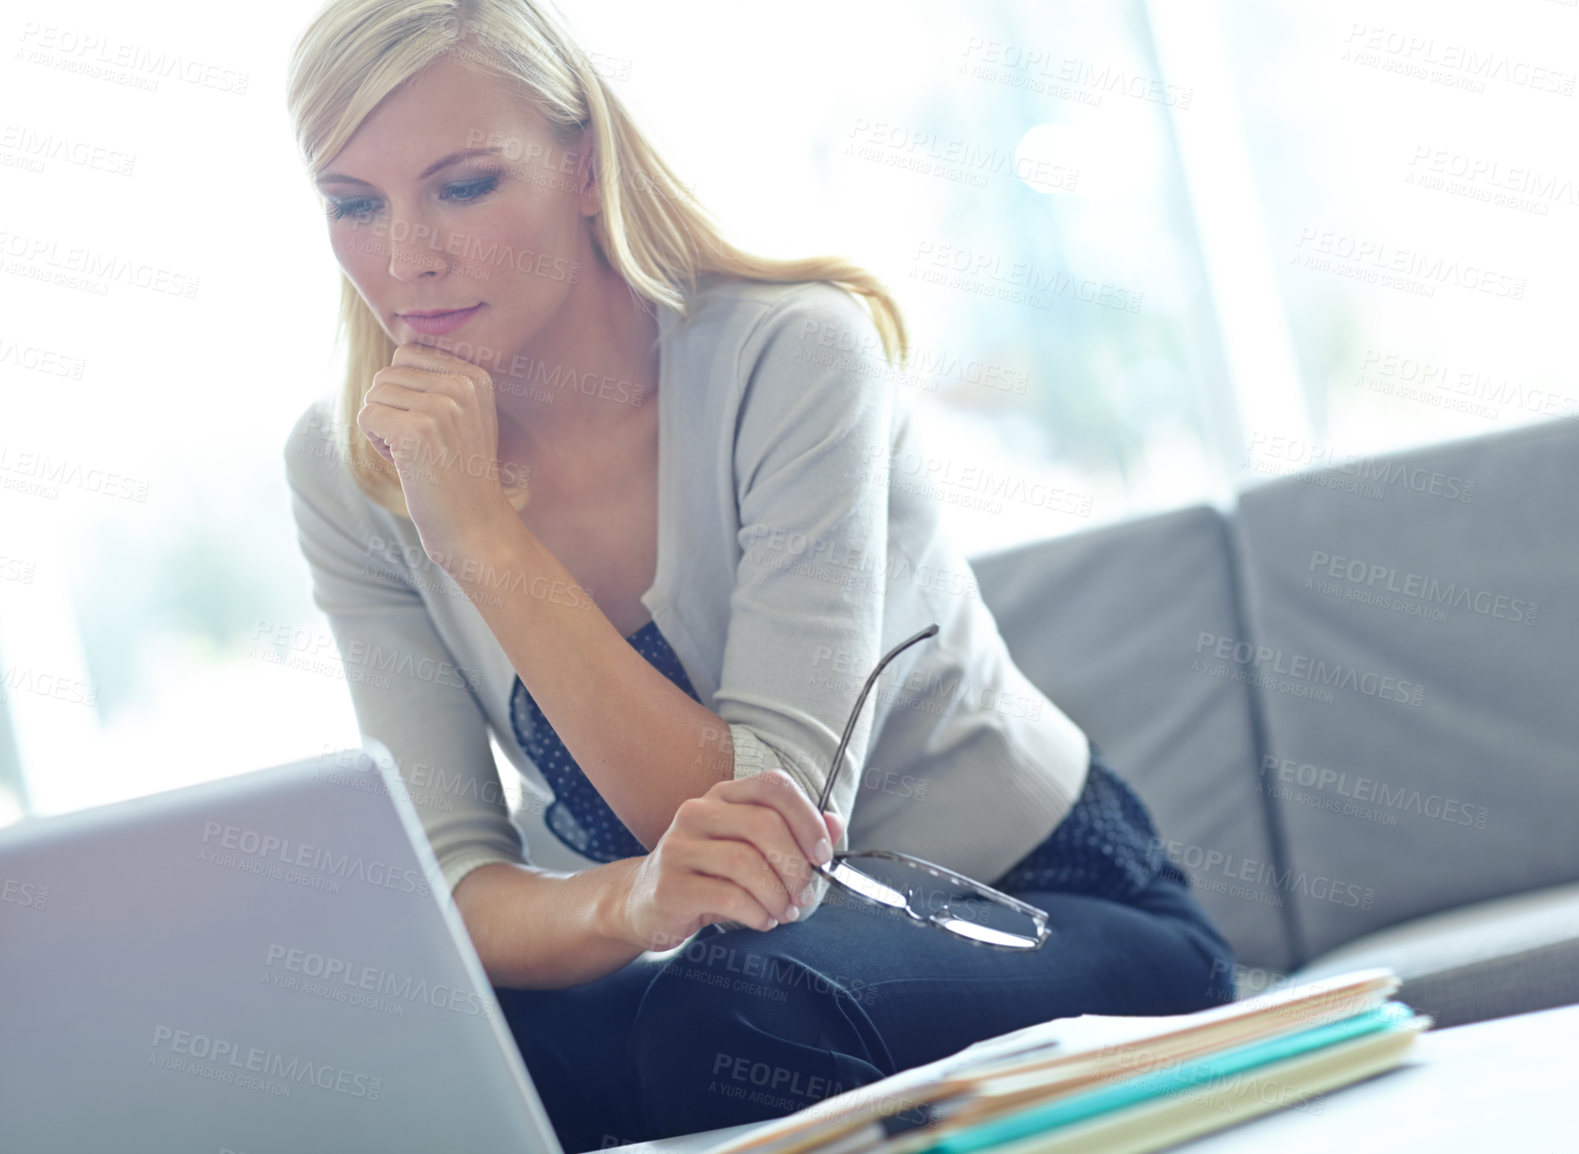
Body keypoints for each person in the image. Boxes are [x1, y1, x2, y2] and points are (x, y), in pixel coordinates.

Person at [282, 1, 1236, 1148]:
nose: (407, 258)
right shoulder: (347, 468)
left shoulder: (792, 355)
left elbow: (772, 836)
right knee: (426, 1057)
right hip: (720, 964)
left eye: (465, 185)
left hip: (1037, 902)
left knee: (739, 1021)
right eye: (354, 204)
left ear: (585, 164)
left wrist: (484, 540)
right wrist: (627, 901)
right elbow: (451, 889)